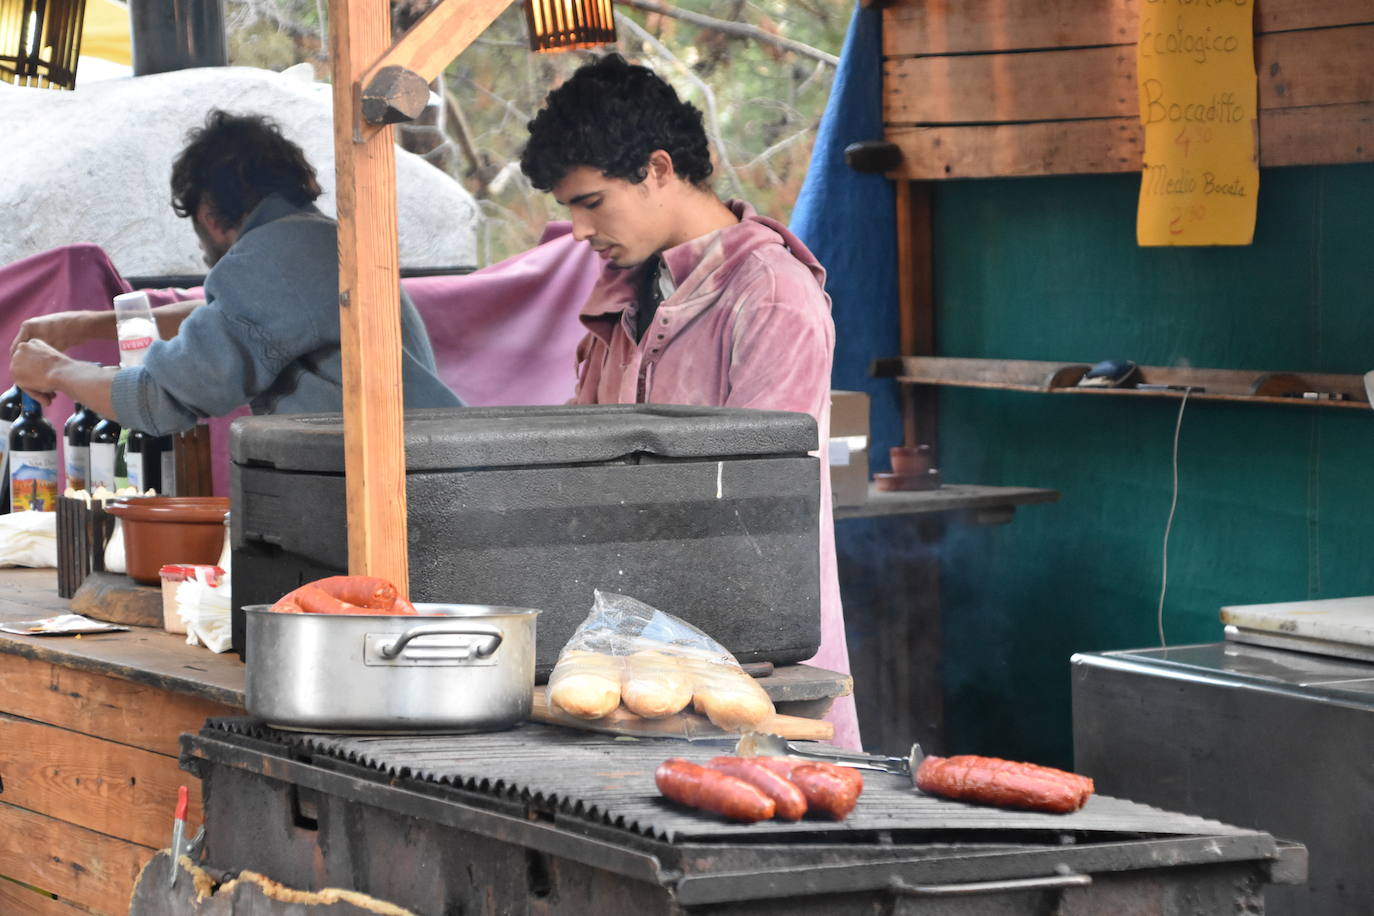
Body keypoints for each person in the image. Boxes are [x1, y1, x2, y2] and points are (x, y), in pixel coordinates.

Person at [520, 54, 859, 748]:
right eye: (569, 210)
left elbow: (757, 506)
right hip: (630, 658)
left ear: (658, 169)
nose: (579, 231)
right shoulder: (618, 303)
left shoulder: (770, 295)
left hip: (754, 658)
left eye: (591, 202)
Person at [8, 110, 459, 434]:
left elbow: (158, 400)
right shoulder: (315, 242)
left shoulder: (274, 258)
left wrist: (56, 371)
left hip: (395, 500)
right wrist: (87, 325)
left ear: (206, 211)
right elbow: (227, 318)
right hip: (427, 473)